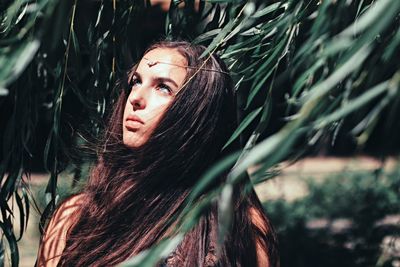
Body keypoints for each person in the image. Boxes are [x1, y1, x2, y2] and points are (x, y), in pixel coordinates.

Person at [37, 40, 279, 266]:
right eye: (135, 81)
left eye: (163, 87)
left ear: (199, 113)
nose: (137, 98)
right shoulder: (77, 215)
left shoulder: (241, 228)